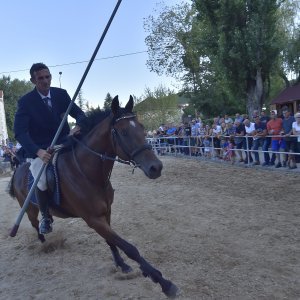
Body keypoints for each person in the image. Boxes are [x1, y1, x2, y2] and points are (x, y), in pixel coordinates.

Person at [14, 63, 87, 235]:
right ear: (33, 80)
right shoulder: (26, 102)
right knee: (41, 178)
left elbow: (80, 114)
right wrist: (38, 151)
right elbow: (20, 132)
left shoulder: (61, 94)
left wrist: (78, 126)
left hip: (64, 142)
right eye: (41, 78)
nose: (45, 81)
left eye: (48, 77)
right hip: (40, 149)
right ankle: (46, 216)